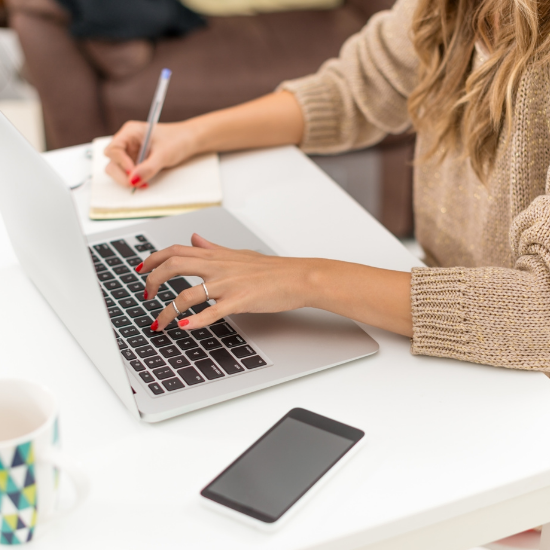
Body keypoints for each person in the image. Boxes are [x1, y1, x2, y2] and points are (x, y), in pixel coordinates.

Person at [104, 0, 550, 372]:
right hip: (444, 324)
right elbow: (353, 91)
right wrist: (192, 135)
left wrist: (304, 278)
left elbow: (542, 312)